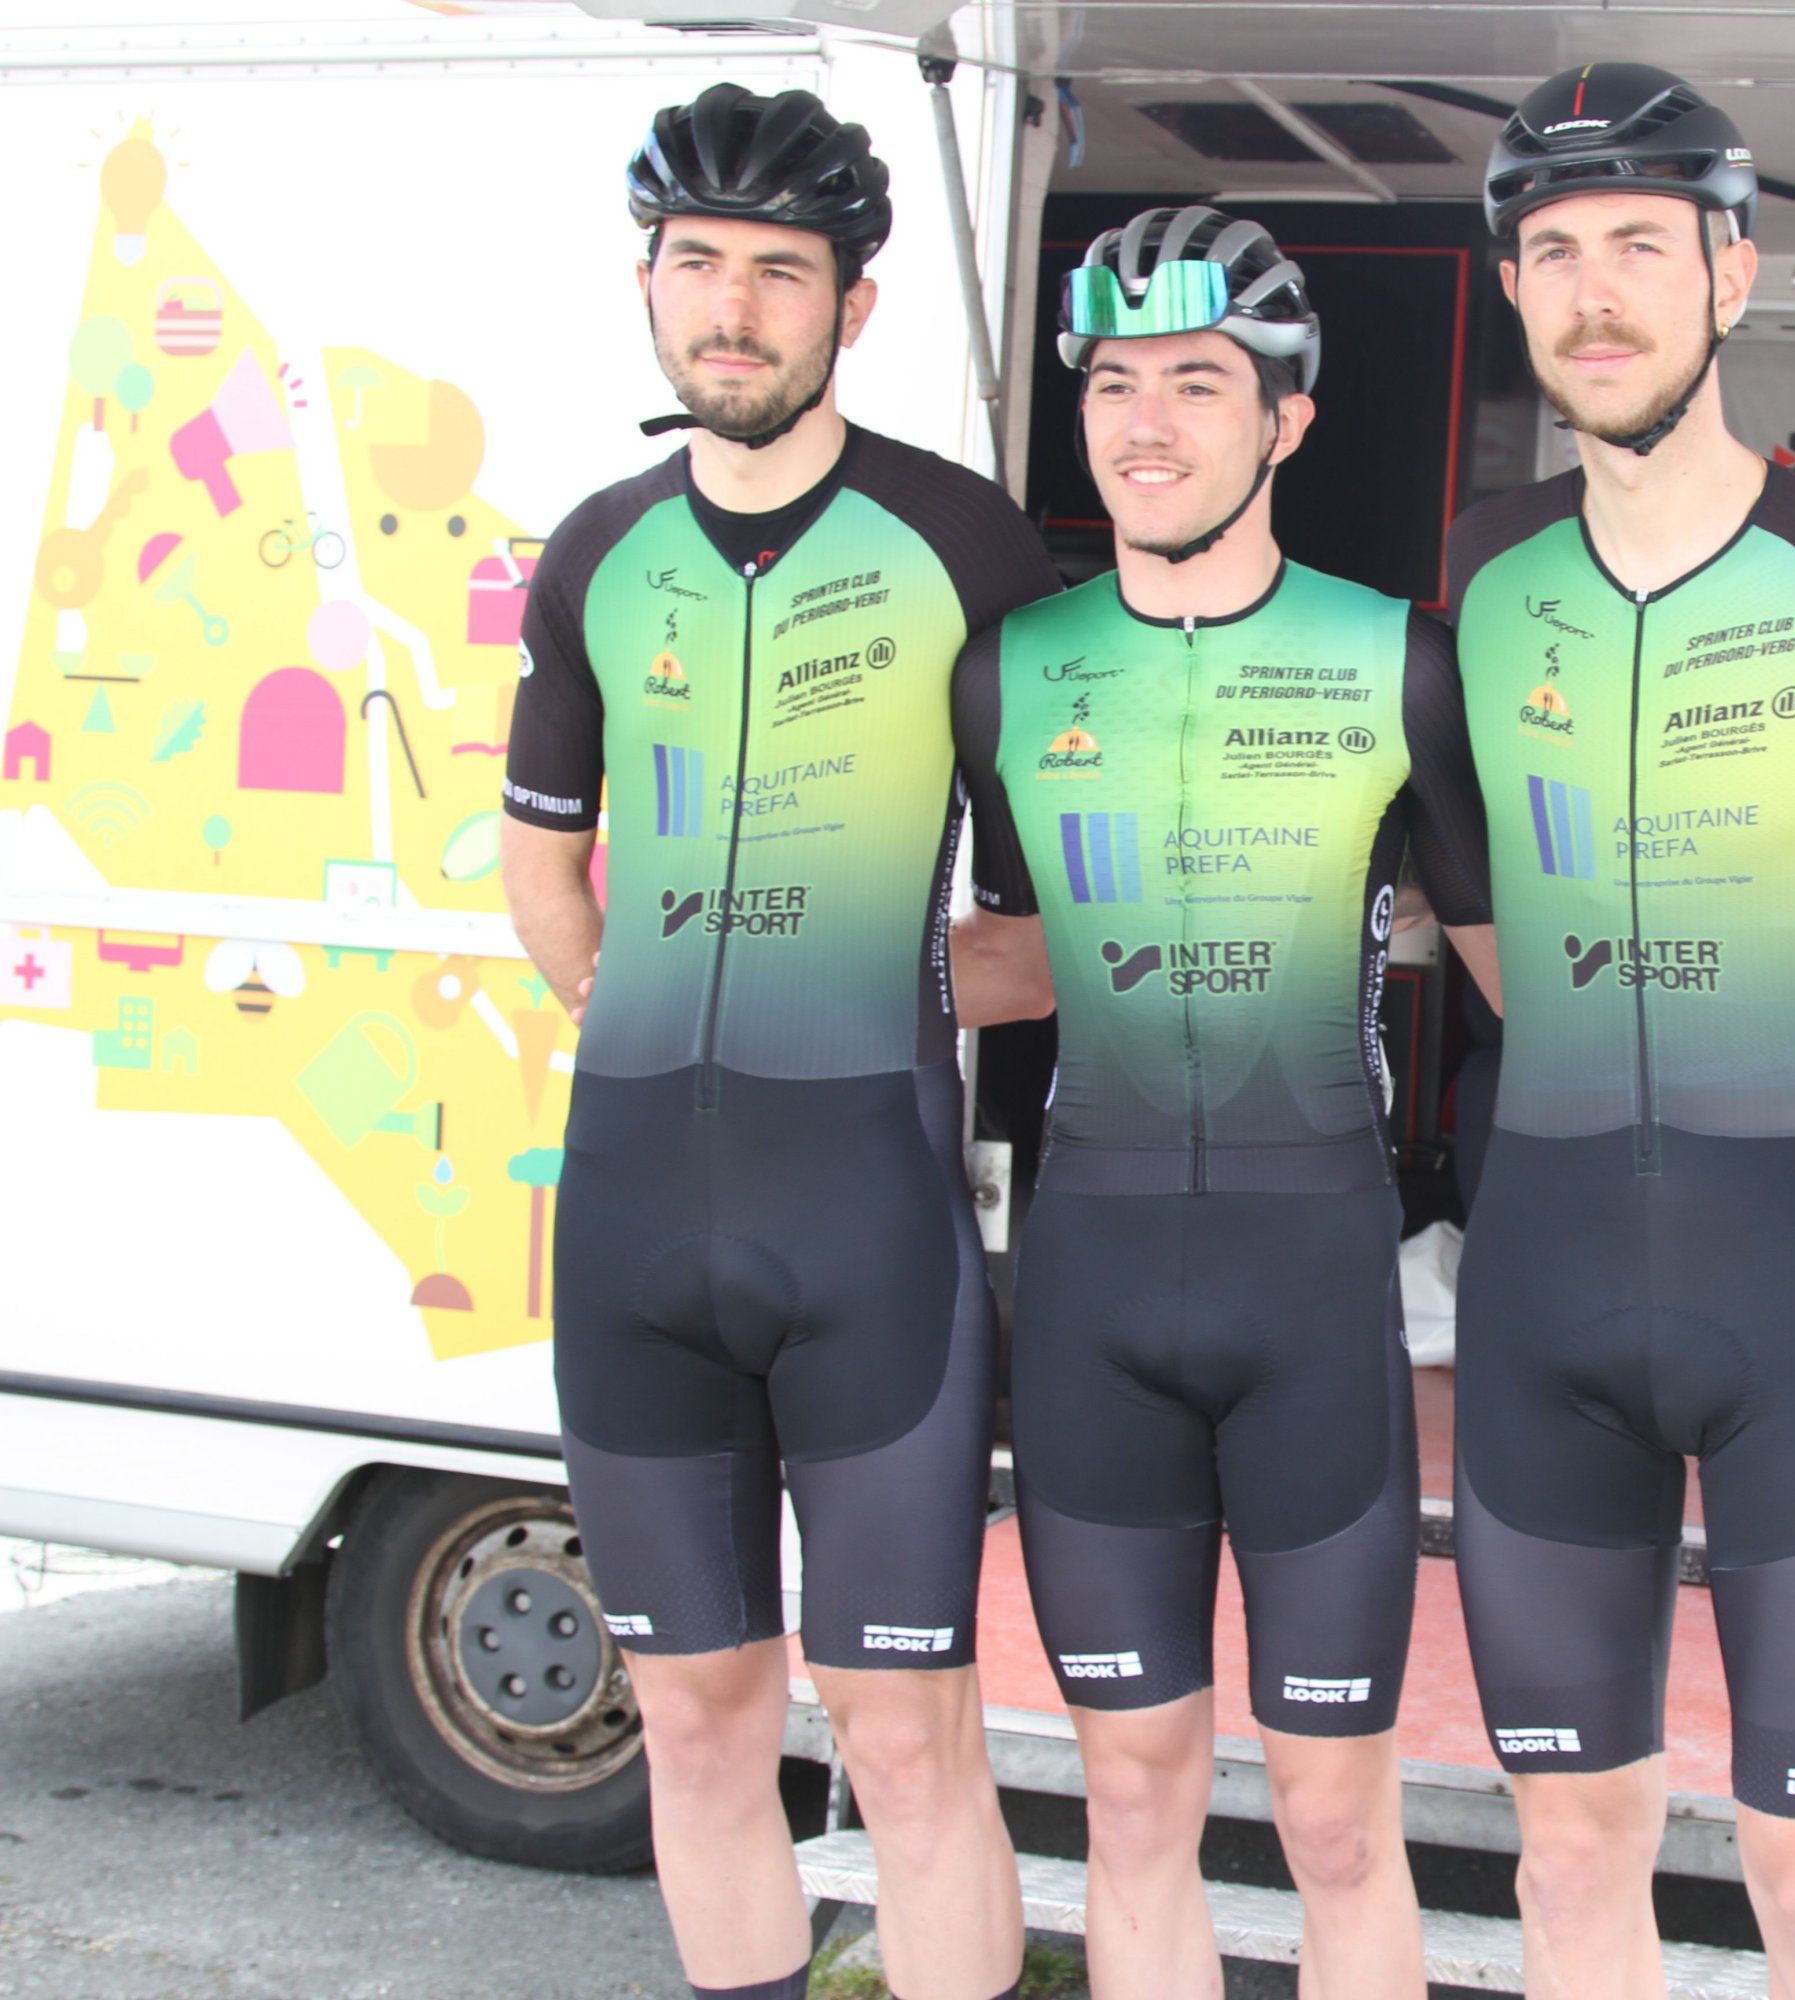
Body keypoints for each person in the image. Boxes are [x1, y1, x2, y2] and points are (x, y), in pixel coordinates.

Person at [1441, 62, 1795, 1997]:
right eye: (1554, 254)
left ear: (1736, 274)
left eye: (1640, 244)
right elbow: (1484, 926)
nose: (1595, 292)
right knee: (1566, 1850)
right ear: (1513, 288)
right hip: (1548, 1276)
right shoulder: (1479, 568)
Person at [498, 83, 1058, 2000]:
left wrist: (864, 985)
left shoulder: (966, 545)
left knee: (905, 1738)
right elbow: (540, 856)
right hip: (632, 1218)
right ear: (648, 282)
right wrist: (649, 1005)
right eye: (698, 264)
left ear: (855, 305)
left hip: (868, 1224)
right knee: (697, 1720)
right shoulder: (596, 552)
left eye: (780, 274)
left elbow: (1062, 927)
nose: (731, 310)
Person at [943, 206, 1500, 2000]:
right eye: (1115, 383)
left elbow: (1532, 980)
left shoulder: (1403, 662)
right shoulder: (1009, 671)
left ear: (1289, 420)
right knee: (1127, 1802)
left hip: (1312, 1291)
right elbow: (1021, 957)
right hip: (1093, 1282)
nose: (1148, 422)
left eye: (1200, 381)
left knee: (1336, 1819)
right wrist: (720, 973)